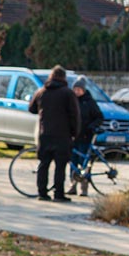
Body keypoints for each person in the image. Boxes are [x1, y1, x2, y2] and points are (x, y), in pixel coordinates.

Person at [28, 65, 80, 202]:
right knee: (60, 166)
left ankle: (42, 192)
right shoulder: (67, 93)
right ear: (64, 77)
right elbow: (74, 115)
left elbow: (31, 108)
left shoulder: (42, 92)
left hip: (44, 134)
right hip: (63, 135)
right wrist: (75, 132)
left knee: (43, 164)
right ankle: (58, 193)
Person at [66, 75, 104, 196]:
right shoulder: (71, 101)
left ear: (83, 90)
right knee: (73, 161)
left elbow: (99, 117)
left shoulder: (89, 102)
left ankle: (84, 187)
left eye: (79, 89)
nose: (77, 91)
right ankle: (73, 185)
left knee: (83, 162)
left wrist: (92, 126)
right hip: (73, 136)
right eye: (75, 89)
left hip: (85, 136)